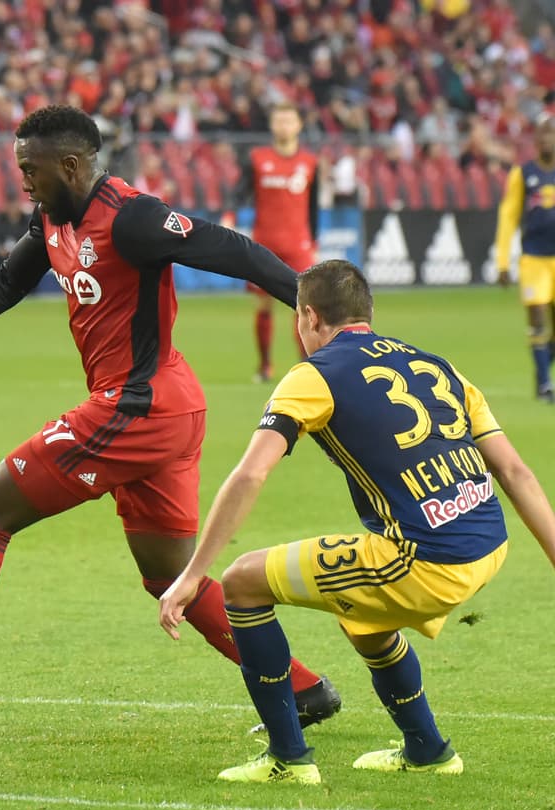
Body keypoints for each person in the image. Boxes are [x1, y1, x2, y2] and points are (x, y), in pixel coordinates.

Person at [0, 105, 341, 729]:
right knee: (167, 575)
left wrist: (320, 315)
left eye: (31, 168)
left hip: (138, 406)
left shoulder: (132, 219)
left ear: (71, 165)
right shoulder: (52, 215)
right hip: (163, 409)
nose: (23, 179)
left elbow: (230, 249)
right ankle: (303, 687)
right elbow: (5, 280)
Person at [158, 259, 555, 783]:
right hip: (489, 539)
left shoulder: (313, 376)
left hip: (425, 558)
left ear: (309, 316)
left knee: (241, 582)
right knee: (365, 618)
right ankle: (428, 750)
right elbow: (514, 470)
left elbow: (250, 475)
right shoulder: (436, 365)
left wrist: (191, 576)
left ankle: (287, 759)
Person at [242, 103, 318, 382]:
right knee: (264, 305)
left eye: (289, 120)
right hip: (265, 243)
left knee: (305, 306)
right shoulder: (257, 159)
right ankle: (264, 366)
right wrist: (228, 215)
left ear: (298, 125)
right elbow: (241, 192)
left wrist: (315, 241)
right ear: (272, 125)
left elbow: (312, 207)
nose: (284, 125)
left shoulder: (310, 162)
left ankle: (306, 364)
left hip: (299, 245)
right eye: (279, 120)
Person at [494, 116, 555, 402]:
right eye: (542, 135)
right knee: (538, 317)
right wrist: (502, 261)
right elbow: (508, 216)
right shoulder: (523, 173)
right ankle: (544, 383)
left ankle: (542, 365)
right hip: (533, 260)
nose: (546, 140)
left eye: (550, 135)